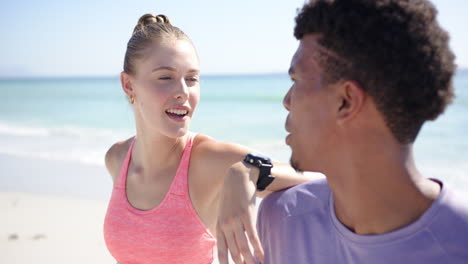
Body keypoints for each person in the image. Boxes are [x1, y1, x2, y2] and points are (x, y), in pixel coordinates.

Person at [216, 0, 468, 263]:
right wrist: (246, 169)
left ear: (346, 101)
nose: (287, 101)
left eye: (296, 81)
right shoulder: (283, 219)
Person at [102, 13, 321, 264]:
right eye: (165, 77)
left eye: (192, 79)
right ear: (128, 85)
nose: (183, 92)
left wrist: (246, 171)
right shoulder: (117, 158)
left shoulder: (208, 159)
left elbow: (318, 177)